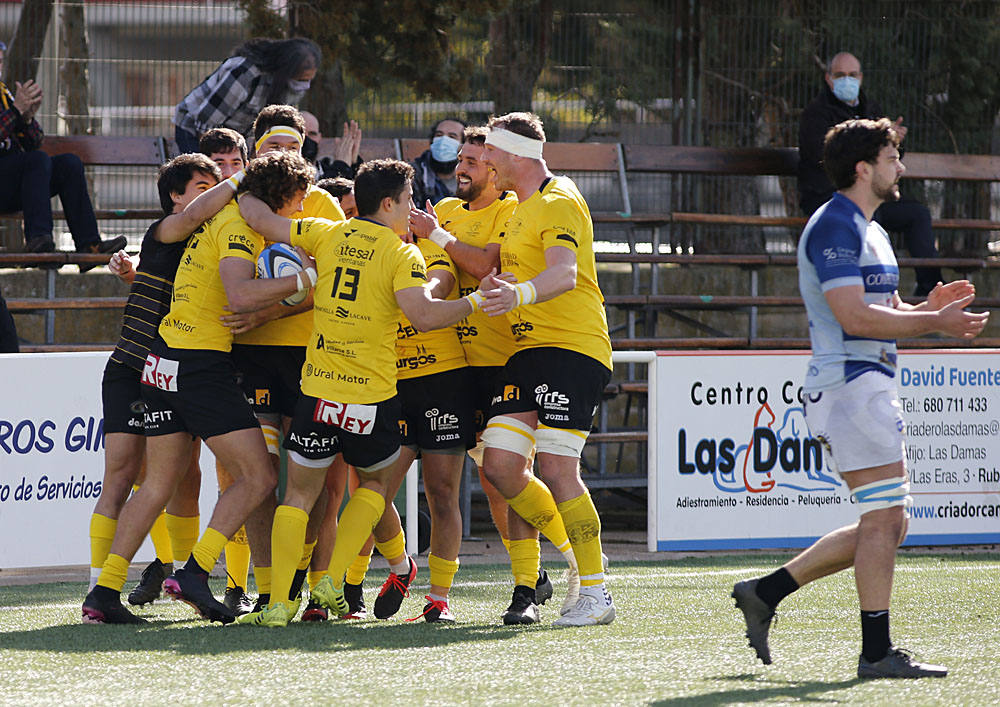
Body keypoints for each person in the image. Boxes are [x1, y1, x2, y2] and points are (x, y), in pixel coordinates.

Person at [734, 117, 987, 678]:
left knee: (889, 522)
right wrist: (935, 325)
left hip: (864, 383)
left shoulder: (869, 228)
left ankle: (766, 593)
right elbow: (852, 317)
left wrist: (927, 309)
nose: (903, 166)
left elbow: (879, 311)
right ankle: (875, 653)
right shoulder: (835, 227)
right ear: (863, 167)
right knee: (885, 519)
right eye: (893, 156)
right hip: (848, 384)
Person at [236, 156, 478, 627]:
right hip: (369, 395)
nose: (411, 211)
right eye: (407, 201)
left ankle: (280, 604)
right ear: (388, 203)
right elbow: (423, 317)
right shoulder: (400, 252)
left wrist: (243, 182)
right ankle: (331, 581)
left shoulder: (326, 232)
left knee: (298, 497)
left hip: (317, 390)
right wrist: (475, 302)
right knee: (373, 487)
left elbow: (257, 215)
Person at [82, 151, 313, 625]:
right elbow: (239, 294)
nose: (303, 208)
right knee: (260, 477)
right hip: (195, 366)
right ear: (280, 197)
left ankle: (103, 592)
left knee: (159, 483)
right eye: (299, 198)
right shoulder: (238, 226)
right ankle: (196, 571)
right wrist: (307, 277)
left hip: (162, 360)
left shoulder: (211, 222)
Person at [410, 125, 584, 620]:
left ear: (494, 166)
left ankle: (531, 587)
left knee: (506, 477)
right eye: (460, 158)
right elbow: (439, 270)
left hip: (508, 358)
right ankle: (538, 576)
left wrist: (439, 241)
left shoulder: (512, 208)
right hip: (458, 367)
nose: (461, 167)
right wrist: (426, 293)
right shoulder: (440, 211)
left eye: (472, 159)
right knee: (479, 482)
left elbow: (487, 262)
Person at [477, 112, 615, 627]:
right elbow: (525, 272)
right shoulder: (519, 208)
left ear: (515, 154)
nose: (486, 161)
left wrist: (516, 293)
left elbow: (563, 273)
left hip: (571, 348)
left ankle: (596, 593)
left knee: (558, 469)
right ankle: (583, 558)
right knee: (501, 467)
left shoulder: (558, 200)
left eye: (490, 152)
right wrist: (501, 287)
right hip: (529, 351)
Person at [86, 154, 237, 616]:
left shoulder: (209, 239)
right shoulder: (170, 227)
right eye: (202, 185)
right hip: (134, 367)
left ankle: (178, 577)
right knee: (125, 475)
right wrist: (243, 179)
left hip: (173, 368)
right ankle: (99, 588)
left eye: (216, 183)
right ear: (176, 196)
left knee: (178, 479)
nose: (212, 192)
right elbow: (191, 218)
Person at [215, 104, 346, 619]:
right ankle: (268, 589)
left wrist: (265, 309)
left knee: (309, 478)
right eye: (274, 144)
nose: (284, 152)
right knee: (260, 475)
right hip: (250, 357)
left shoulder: (321, 206)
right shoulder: (237, 202)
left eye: (294, 144)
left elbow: (331, 283)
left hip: (308, 356)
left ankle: (311, 583)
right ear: (256, 150)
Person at [797, 51, 943, 296]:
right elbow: (826, 157)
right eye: (840, 75)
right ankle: (864, 290)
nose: (847, 80)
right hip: (829, 197)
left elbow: (886, 157)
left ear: (861, 77)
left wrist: (895, 139)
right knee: (870, 222)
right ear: (828, 78)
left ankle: (931, 290)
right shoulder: (816, 114)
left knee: (917, 214)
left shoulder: (871, 109)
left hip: (870, 198)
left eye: (852, 75)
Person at [0, 40, 125, 268]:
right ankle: (39, 242)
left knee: (69, 163)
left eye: (0, 61)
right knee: (37, 161)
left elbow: (34, 142)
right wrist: (16, 111)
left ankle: (89, 245)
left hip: (13, 182)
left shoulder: (4, 95)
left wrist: (26, 118)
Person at [172, 37, 320, 153]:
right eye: (300, 79)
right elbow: (206, 123)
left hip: (235, 138)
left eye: (308, 80)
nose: (304, 86)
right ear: (285, 70)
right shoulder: (244, 73)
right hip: (195, 129)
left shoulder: (285, 85)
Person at [410, 117, 465, 210]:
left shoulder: (470, 175)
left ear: (463, 145)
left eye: (452, 137)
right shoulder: (415, 174)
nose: (443, 140)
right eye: (439, 135)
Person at [301, 110, 363, 180]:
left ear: (319, 137)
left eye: (312, 134)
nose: (306, 139)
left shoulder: (325, 169)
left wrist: (354, 165)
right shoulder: (289, 173)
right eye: (301, 133)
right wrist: (341, 167)